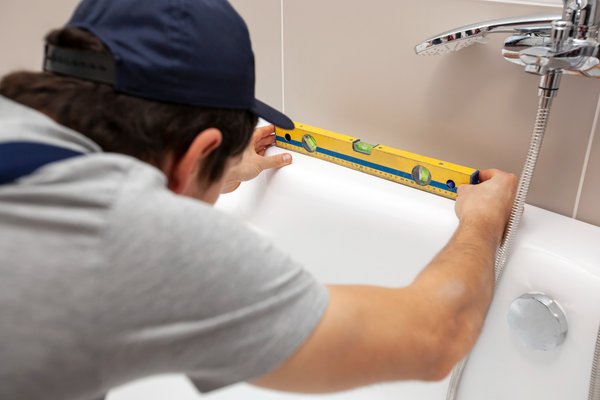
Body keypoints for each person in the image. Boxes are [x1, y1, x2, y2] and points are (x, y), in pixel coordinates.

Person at [0, 0, 517, 399]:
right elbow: (433, 339)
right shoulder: (128, 238)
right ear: (197, 151)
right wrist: (481, 222)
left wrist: (211, 172)